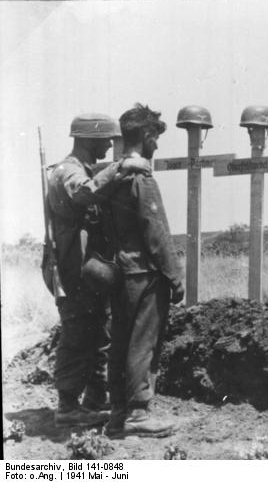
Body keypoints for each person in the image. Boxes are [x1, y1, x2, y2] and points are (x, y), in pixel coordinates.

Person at [46, 113, 151, 427]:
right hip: (71, 270)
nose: (110, 143)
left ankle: (93, 400)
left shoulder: (87, 171)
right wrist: (120, 167)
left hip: (88, 270)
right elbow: (83, 194)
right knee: (78, 334)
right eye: (107, 138)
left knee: (98, 334)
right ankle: (67, 407)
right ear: (89, 138)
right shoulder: (67, 172)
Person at [105, 103, 184, 438]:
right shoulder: (142, 178)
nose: (157, 145)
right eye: (155, 137)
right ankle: (138, 414)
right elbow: (156, 232)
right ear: (147, 135)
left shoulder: (114, 175)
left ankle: (118, 415)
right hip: (144, 273)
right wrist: (174, 275)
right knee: (143, 343)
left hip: (120, 270)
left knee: (121, 342)